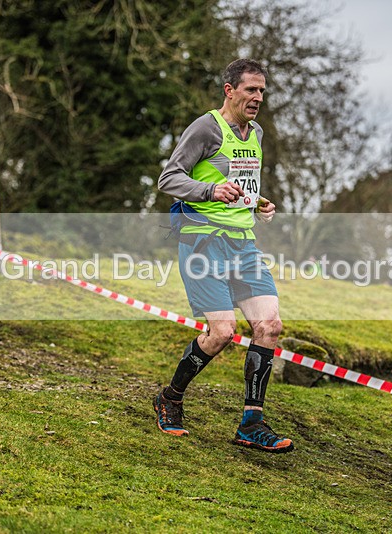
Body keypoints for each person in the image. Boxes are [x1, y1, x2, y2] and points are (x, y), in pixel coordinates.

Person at [155, 59, 293, 453]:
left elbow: (237, 182)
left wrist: (258, 203)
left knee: (269, 325)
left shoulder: (256, 133)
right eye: (250, 89)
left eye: (262, 91)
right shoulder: (205, 127)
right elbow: (170, 178)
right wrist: (208, 192)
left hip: (242, 244)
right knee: (222, 333)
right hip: (203, 243)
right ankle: (171, 398)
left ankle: (252, 423)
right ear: (229, 90)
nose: (258, 98)